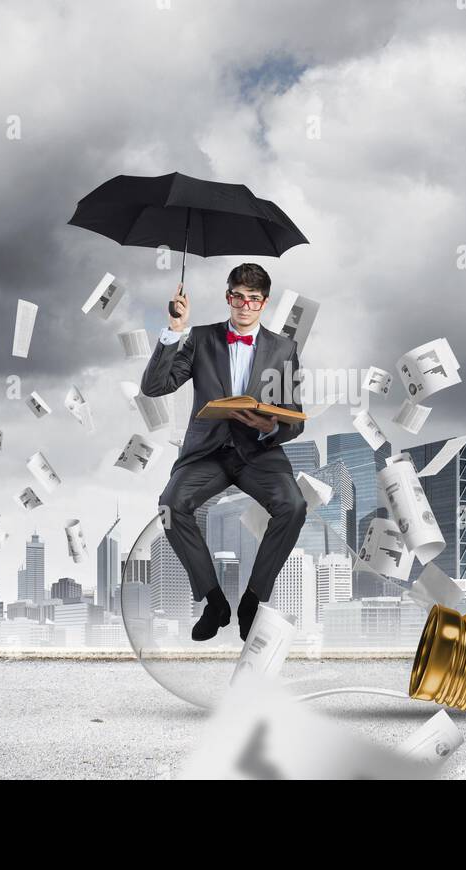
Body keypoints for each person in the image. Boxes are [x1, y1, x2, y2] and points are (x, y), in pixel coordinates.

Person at [140, 263, 306, 642]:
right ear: (227, 296)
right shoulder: (200, 338)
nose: (244, 306)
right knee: (171, 503)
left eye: (253, 299)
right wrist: (174, 330)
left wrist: (272, 426)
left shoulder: (284, 349)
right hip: (207, 452)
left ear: (264, 303)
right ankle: (213, 601)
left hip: (259, 451)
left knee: (293, 506)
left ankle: (253, 599)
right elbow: (154, 386)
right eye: (237, 297)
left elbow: (295, 419)